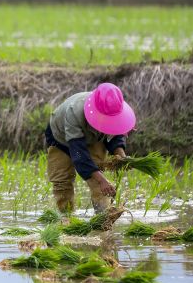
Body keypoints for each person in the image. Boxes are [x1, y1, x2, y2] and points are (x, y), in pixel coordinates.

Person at [45, 82, 135, 213]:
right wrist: (102, 179)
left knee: (99, 182)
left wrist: (121, 156)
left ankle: (103, 220)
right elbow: (79, 154)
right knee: (62, 182)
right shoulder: (74, 111)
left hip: (94, 138)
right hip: (61, 139)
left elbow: (115, 133)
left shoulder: (114, 110)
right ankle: (66, 219)